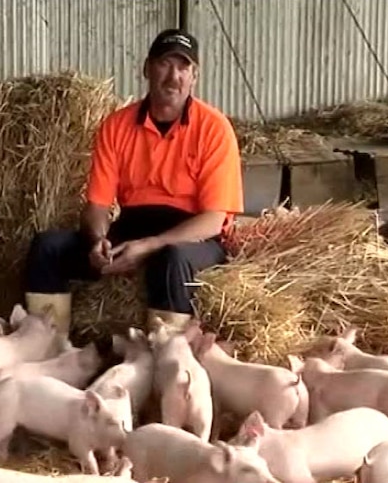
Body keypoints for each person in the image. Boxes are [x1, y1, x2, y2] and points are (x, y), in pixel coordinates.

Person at [23, 28, 244, 335]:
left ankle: (167, 366)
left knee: (172, 259)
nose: (174, 76)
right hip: (134, 224)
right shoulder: (116, 126)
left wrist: (150, 246)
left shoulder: (214, 129)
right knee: (48, 247)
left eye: (184, 67)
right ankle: (46, 347)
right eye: (165, 63)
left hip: (193, 236)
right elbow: (97, 206)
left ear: (195, 77)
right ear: (146, 68)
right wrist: (98, 241)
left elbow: (213, 220)